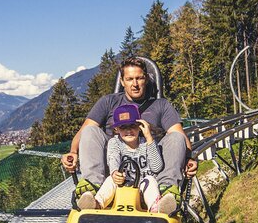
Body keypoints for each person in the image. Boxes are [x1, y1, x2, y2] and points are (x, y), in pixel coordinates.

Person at [61, 57, 197, 214]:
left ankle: (167, 194)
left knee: (175, 137)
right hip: (114, 168)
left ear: (145, 79)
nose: (135, 84)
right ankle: (91, 191)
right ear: (123, 81)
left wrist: (189, 158)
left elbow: (179, 134)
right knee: (91, 131)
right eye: (130, 79)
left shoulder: (161, 105)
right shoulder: (108, 102)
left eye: (139, 78)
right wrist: (72, 152)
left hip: (150, 167)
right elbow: (85, 130)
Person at [79, 103, 164, 211]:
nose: (129, 131)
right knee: (110, 180)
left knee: (150, 180)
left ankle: (156, 206)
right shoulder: (115, 142)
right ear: (117, 130)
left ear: (140, 127)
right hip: (121, 188)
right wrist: (115, 173)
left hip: (142, 190)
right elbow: (113, 159)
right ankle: (97, 203)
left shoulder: (148, 143)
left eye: (133, 126)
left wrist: (148, 137)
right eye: (123, 127)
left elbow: (157, 168)